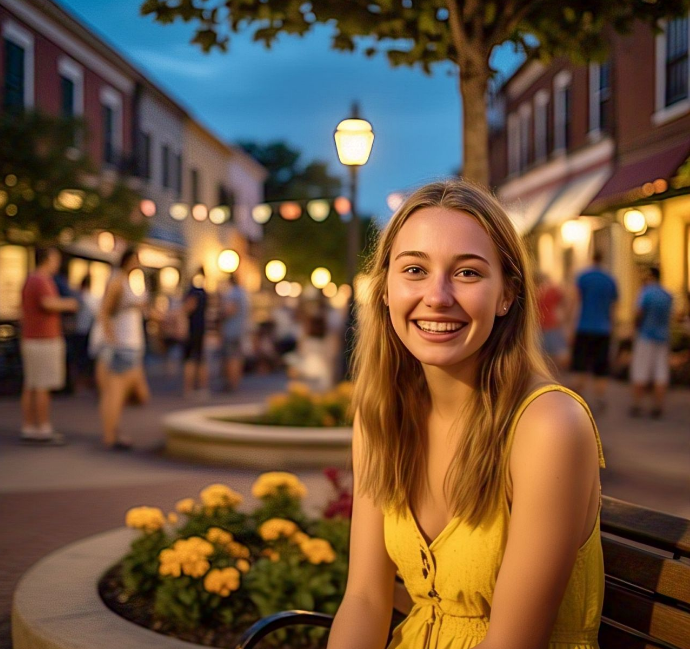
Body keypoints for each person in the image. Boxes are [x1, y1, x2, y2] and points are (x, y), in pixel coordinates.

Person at [327, 180, 606, 649]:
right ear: (385, 291)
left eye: (468, 274)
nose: (437, 296)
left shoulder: (548, 426)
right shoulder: (382, 416)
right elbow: (364, 600)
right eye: (414, 269)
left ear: (507, 295)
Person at [19, 246, 79, 444]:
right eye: (55, 258)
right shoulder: (40, 280)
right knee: (42, 385)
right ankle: (42, 427)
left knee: (32, 384)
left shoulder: (32, 279)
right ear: (47, 258)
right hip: (43, 339)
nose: (58, 263)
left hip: (33, 338)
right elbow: (48, 303)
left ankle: (30, 426)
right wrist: (69, 303)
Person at [97, 247, 150, 450]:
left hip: (130, 344)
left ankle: (112, 432)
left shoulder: (129, 281)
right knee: (118, 392)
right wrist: (113, 340)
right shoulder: (118, 281)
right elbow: (104, 312)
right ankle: (110, 435)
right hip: (124, 345)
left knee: (117, 392)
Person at [569, 250, 618, 412]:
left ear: (592, 259)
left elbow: (575, 303)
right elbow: (613, 307)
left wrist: (570, 326)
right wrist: (613, 327)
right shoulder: (610, 280)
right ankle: (599, 397)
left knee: (581, 363)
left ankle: (578, 398)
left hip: (584, 326)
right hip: (603, 328)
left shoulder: (583, 277)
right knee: (601, 366)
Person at [629, 267, 673, 419]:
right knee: (660, 372)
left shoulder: (645, 293)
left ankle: (637, 404)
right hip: (663, 337)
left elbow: (639, 313)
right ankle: (658, 406)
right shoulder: (667, 294)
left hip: (646, 336)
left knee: (640, 370)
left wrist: (634, 328)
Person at [535, 271, 570, 372]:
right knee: (554, 354)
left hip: (546, 325)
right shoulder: (550, 290)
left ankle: (553, 374)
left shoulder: (542, 291)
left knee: (551, 355)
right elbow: (566, 300)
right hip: (547, 325)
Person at [220, 273, 249, 391]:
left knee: (231, 358)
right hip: (240, 330)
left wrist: (221, 315)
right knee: (237, 357)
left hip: (231, 330)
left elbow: (230, 310)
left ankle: (231, 383)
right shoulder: (243, 293)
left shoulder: (233, 294)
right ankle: (235, 382)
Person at [182, 268, 208, 397]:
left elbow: (188, 307)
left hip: (192, 329)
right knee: (200, 358)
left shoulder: (193, 291)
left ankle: (189, 388)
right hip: (201, 328)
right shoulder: (204, 292)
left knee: (190, 359)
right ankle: (202, 387)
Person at [73, 274, 99, 390]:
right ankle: (84, 381)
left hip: (79, 330)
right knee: (85, 357)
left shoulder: (78, 296)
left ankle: (81, 381)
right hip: (86, 331)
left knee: (80, 357)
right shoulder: (89, 298)